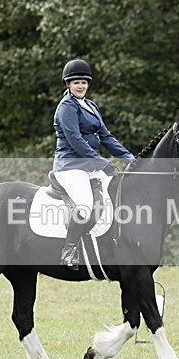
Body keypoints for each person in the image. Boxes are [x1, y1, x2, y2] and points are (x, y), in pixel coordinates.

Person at [53, 58, 134, 268]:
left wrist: (131, 159)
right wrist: (101, 162)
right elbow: (76, 140)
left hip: (89, 167)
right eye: (76, 82)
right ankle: (68, 250)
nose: (81, 86)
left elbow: (106, 137)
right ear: (68, 85)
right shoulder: (66, 108)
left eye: (84, 82)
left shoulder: (90, 105)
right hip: (70, 168)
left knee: (114, 199)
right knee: (86, 205)